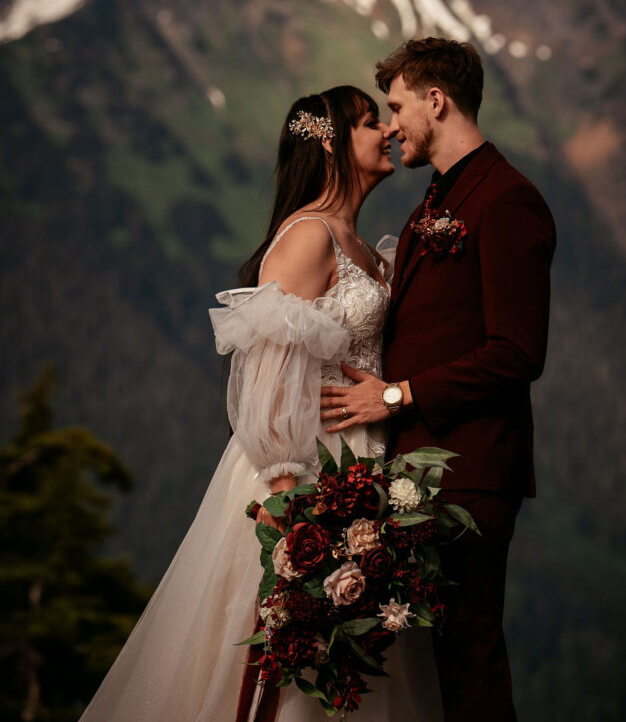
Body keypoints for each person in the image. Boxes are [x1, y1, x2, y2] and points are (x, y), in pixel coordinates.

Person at [78, 84, 443, 722]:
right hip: (306, 472)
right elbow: (268, 376)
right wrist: (288, 505)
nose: (385, 130)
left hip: (365, 471)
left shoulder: (363, 249)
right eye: (367, 122)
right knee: (285, 659)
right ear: (331, 147)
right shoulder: (308, 238)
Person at [320, 39, 556, 721]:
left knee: (468, 653)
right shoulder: (434, 199)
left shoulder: (507, 199)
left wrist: (395, 395)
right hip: (418, 467)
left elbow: (515, 351)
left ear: (435, 100)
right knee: (428, 662)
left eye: (396, 107)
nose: (391, 125)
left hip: (470, 469)